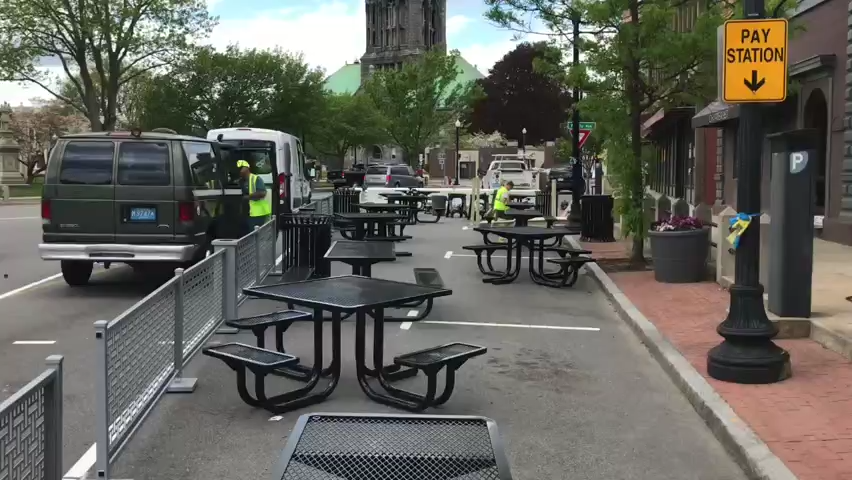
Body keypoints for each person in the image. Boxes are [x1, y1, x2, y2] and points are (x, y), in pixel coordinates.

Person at [237, 159, 271, 232]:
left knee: (255, 234)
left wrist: (248, 197)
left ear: (247, 168)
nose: (240, 171)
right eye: (239, 169)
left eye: (241, 168)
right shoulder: (241, 181)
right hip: (247, 213)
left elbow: (262, 193)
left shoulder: (256, 179)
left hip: (258, 213)